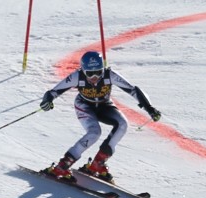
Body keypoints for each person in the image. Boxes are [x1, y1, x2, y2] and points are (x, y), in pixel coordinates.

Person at [39, 51, 162, 182]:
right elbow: (53, 92)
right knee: (94, 132)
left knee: (123, 124)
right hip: (85, 106)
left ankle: (98, 164)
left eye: (98, 71)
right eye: (90, 73)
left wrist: (150, 108)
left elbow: (133, 89)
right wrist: (47, 101)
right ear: (83, 70)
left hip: (105, 105)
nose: (95, 76)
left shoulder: (110, 75)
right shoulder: (77, 76)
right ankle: (62, 166)